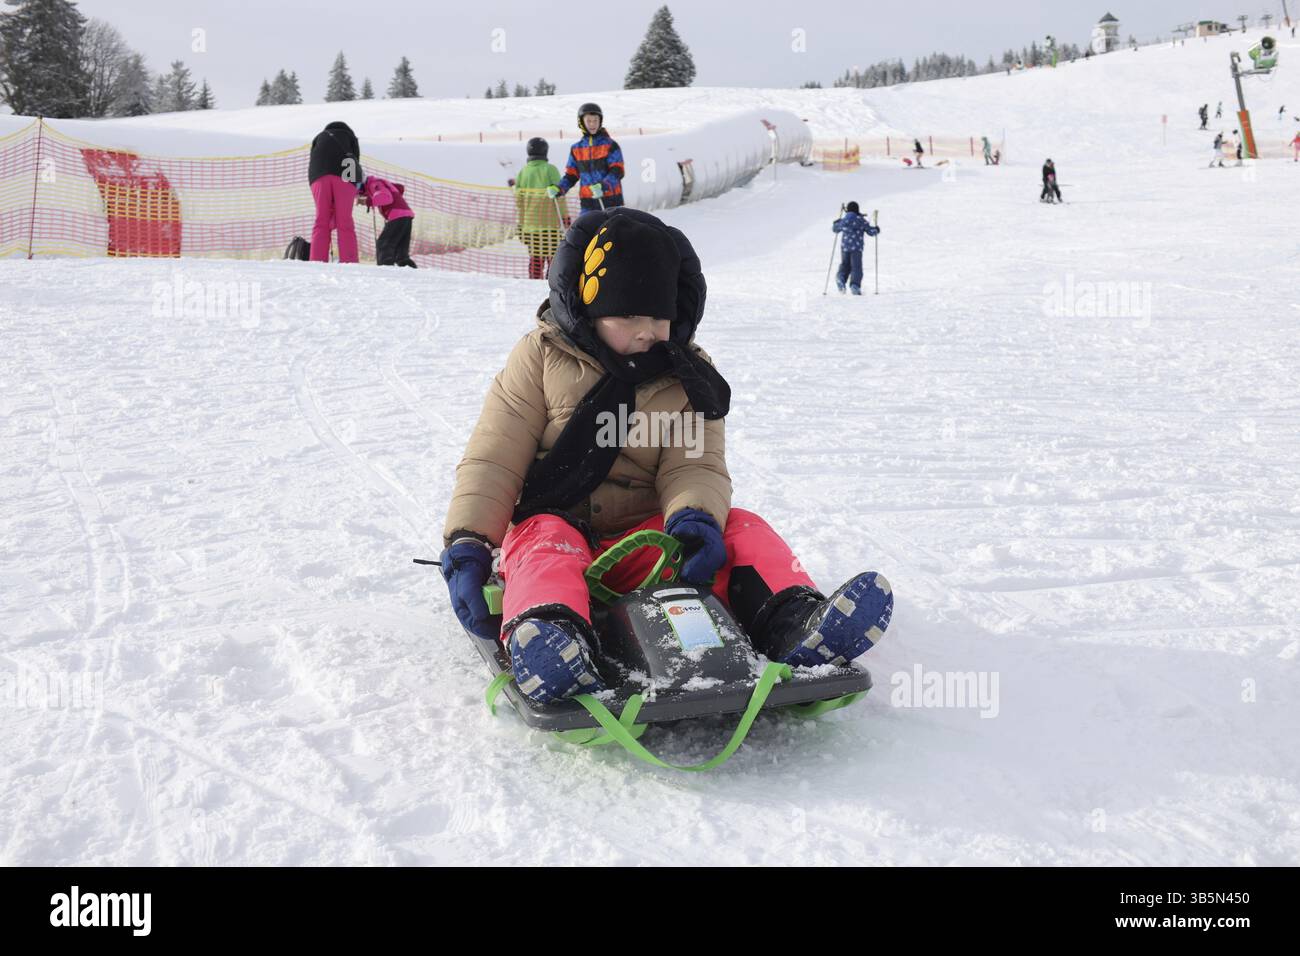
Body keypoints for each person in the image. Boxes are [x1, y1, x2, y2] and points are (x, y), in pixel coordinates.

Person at [438, 208, 894, 703]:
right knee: (546, 543)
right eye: (628, 317)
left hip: (647, 548)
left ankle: (797, 624)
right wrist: (469, 542)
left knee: (741, 526)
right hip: (557, 527)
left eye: (658, 317)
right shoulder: (541, 357)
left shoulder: (688, 375)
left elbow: (694, 463)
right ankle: (553, 641)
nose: (646, 332)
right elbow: (494, 456)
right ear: (590, 311)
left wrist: (694, 519)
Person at [548, 103, 625, 212]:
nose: (592, 124)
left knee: (610, 229)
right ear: (581, 122)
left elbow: (617, 171)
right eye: (589, 120)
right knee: (585, 228)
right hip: (587, 203)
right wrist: (559, 188)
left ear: (600, 121)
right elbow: (571, 175)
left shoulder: (610, 145)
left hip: (611, 201)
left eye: (595, 120)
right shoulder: (576, 148)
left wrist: (603, 186)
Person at [308, 121, 363, 264]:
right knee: (344, 221)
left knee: (321, 220)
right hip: (345, 175)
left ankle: (317, 260)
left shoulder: (319, 137)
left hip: (318, 176)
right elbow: (356, 159)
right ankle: (349, 261)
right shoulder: (350, 137)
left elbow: (313, 158)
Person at [514, 137, 565, 280]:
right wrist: (565, 217)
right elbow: (560, 196)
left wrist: (521, 225)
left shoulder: (523, 172)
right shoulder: (550, 170)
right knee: (553, 258)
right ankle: (552, 283)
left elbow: (519, 201)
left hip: (530, 226)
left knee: (535, 258)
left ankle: (533, 282)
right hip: (550, 225)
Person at [358, 175, 416, 267]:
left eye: (357, 187)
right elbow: (399, 188)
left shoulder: (374, 184)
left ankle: (385, 272)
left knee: (383, 245)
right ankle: (412, 276)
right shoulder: (380, 183)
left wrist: (368, 201)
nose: (358, 192)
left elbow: (386, 198)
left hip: (397, 216)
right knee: (401, 255)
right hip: (406, 216)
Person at [830, 201, 879, 295]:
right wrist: (876, 229)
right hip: (856, 248)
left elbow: (835, 229)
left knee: (845, 265)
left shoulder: (844, 220)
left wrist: (835, 223)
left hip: (845, 247)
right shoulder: (861, 220)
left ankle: (841, 279)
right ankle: (855, 285)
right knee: (856, 267)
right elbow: (871, 231)